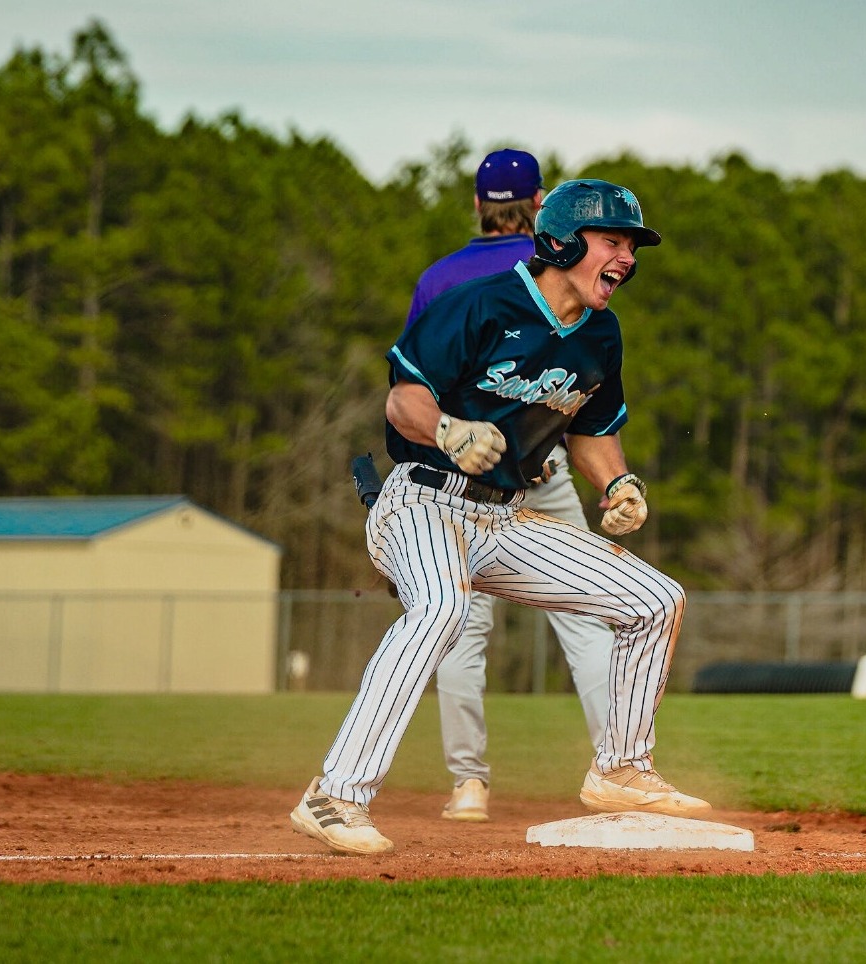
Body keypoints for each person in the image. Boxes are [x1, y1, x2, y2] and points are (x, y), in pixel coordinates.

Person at [290, 178, 709, 855]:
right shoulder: (482, 304)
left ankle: (621, 768)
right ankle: (335, 794)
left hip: (505, 521)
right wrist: (448, 430)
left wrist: (617, 481)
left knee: (654, 599)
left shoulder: (600, 335)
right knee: (440, 610)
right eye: (612, 241)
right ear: (563, 241)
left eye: (631, 245)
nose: (627, 258)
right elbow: (403, 402)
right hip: (422, 499)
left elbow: (591, 428)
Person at [407, 149, 615, 824]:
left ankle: (469, 785)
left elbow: (416, 387)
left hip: (458, 475)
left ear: (475, 205)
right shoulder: (560, 265)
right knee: (586, 615)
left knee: (459, 626)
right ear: (543, 204)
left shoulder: (439, 279)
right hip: (544, 468)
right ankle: (616, 766)